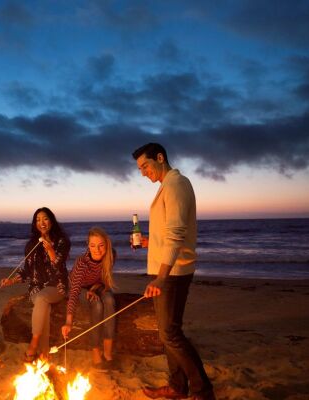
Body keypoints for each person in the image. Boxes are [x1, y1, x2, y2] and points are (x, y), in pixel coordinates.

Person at [132, 144, 215, 400]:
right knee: (167, 332)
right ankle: (178, 387)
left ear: (160, 158)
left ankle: (202, 390)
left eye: (145, 166)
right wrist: (148, 242)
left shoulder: (176, 184)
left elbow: (177, 234)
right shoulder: (166, 186)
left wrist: (161, 276)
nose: (143, 173)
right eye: (140, 169)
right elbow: (168, 233)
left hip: (173, 272)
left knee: (170, 333)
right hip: (168, 269)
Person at [0, 207, 70, 361]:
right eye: (37, 220)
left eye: (45, 218)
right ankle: (44, 355)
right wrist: (11, 280)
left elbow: (59, 266)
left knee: (43, 299)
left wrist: (51, 250)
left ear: (51, 220)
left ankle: (34, 343)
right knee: (42, 301)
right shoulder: (31, 244)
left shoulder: (62, 241)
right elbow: (27, 271)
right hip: (36, 289)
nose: (41, 222)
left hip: (57, 286)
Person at [61, 227, 116, 369]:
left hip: (96, 286)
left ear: (107, 244)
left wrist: (93, 289)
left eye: (101, 245)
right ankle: (95, 350)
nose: (97, 249)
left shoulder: (111, 255)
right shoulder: (82, 263)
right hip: (77, 287)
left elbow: (104, 279)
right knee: (97, 304)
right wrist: (68, 321)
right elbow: (73, 292)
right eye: (93, 245)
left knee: (110, 300)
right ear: (88, 246)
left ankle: (108, 352)